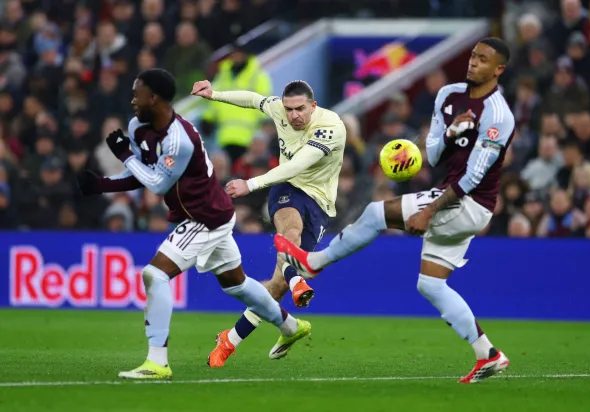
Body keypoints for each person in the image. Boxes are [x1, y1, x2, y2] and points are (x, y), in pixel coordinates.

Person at [275, 38, 514, 384]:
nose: (474, 63)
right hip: (454, 199)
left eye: (483, 59)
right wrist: (450, 133)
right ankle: (488, 354)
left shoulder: (498, 114)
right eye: (473, 56)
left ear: (499, 69)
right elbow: (432, 155)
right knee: (431, 285)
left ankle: (314, 263)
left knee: (374, 214)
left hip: (466, 202)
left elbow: (475, 175)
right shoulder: (448, 95)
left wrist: (429, 211)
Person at [77, 68, 310, 380]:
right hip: (209, 214)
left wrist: (124, 156)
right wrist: (103, 185)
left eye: (138, 93)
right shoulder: (138, 126)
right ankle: (291, 326)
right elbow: (143, 173)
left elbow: (158, 184)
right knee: (237, 284)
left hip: (206, 217)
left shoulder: (181, 139)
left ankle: (157, 362)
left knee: (155, 274)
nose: (133, 100)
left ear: (155, 98)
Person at [191, 79, 346, 367]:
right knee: (291, 232)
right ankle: (296, 279)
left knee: (275, 288)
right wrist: (215, 94)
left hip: (320, 203)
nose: (294, 115)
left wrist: (251, 184)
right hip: (286, 187)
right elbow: (253, 100)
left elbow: (298, 163)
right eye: (289, 110)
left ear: (313, 105)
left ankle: (233, 338)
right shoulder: (280, 109)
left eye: (300, 109)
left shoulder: (332, 127)